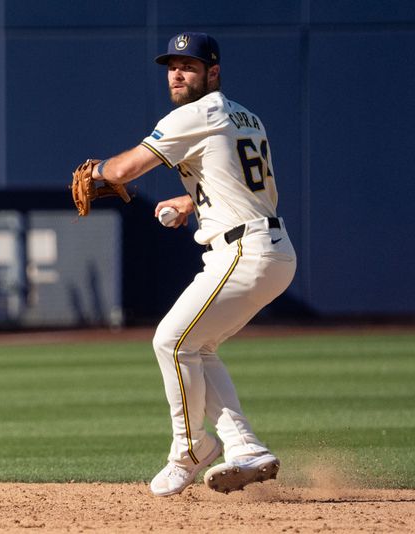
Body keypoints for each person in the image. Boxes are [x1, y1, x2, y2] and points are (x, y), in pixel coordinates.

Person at [89, 32, 296, 496]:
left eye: (190, 65)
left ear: (213, 73)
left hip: (245, 251)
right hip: (269, 246)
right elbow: (243, 184)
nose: (178, 73)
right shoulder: (246, 115)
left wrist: (99, 171)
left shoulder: (195, 113)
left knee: (171, 339)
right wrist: (191, 201)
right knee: (198, 348)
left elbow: (123, 171)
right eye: (172, 65)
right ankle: (244, 446)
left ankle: (190, 448)